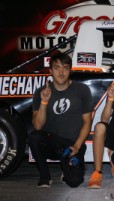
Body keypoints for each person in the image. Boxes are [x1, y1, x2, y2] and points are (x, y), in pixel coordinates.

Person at [28, 52, 93, 188]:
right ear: (51, 71)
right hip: (52, 144)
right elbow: (37, 126)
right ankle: (45, 176)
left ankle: (66, 168)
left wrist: (77, 145)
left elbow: (87, 122)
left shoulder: (82, 90)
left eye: (65, 68)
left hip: (72, 146)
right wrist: (44, 102)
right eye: (57, 68)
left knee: (74, 181)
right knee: (34, 136)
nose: (61, 72)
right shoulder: (41, 92)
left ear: (70, 70)